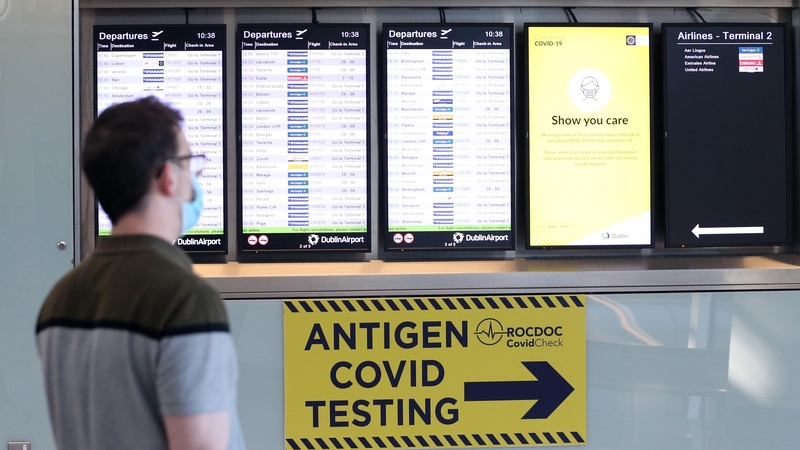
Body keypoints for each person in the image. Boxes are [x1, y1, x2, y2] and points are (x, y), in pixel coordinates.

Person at [36, 97, 245, 450]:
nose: (195, 180)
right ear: (167, 177)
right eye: (190, 164)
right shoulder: (184, 300)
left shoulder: (60, 298)